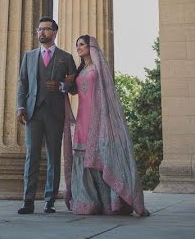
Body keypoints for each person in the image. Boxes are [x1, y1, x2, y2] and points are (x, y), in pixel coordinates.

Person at [61, 35, 149, 216]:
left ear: (91, 46)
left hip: (98, 115)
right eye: (76, 45)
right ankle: (87, 201)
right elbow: (73, 91)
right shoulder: (80, 70)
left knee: (100, 155)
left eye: (82, 44)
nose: (78, 47)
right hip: (82, 118)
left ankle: (109, 202)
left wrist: (106, 117)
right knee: (82, 157)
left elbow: (108, 93)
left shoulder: (99, 67)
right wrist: (64, 85)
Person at [16, 17, 76, 214]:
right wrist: (20, 107)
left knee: (53, 158)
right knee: (31, 157)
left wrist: (60, 86)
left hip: (55, 113)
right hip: (33, 112)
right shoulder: (29, 56)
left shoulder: (66, 58)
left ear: (55, 32)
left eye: (46, 29)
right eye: (39, 29)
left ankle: (49, 201)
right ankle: (28, 201)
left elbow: (74, 87)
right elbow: (22, 83)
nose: (41, 32)